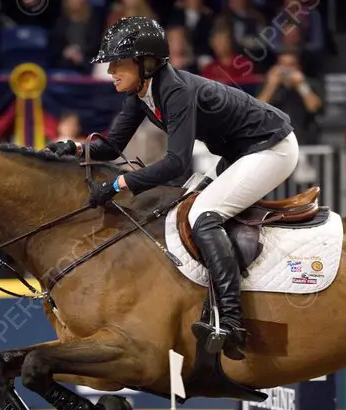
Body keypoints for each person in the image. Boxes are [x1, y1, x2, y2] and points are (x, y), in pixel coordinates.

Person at [43, 16, 298, 361]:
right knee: (187, 211)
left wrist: (119, 183)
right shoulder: (140, 93)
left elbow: (177, 163)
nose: (110, 72)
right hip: (241, 151)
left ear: (146, 63)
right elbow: (111, 145)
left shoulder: (175, 91)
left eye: (118, 63)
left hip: (272, 147)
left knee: (205, 217)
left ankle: (231, 322)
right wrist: (72, 149)